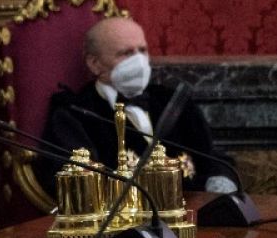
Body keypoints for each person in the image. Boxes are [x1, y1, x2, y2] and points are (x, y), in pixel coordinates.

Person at [38, 17, 238, 195]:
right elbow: (73, 184)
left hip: (197, 218)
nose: (138, 61)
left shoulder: (173, 101)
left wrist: (221, 179)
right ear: (94, 63)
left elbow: (212, 157)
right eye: (125, 53)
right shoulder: (75, 113)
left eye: (142, 50)